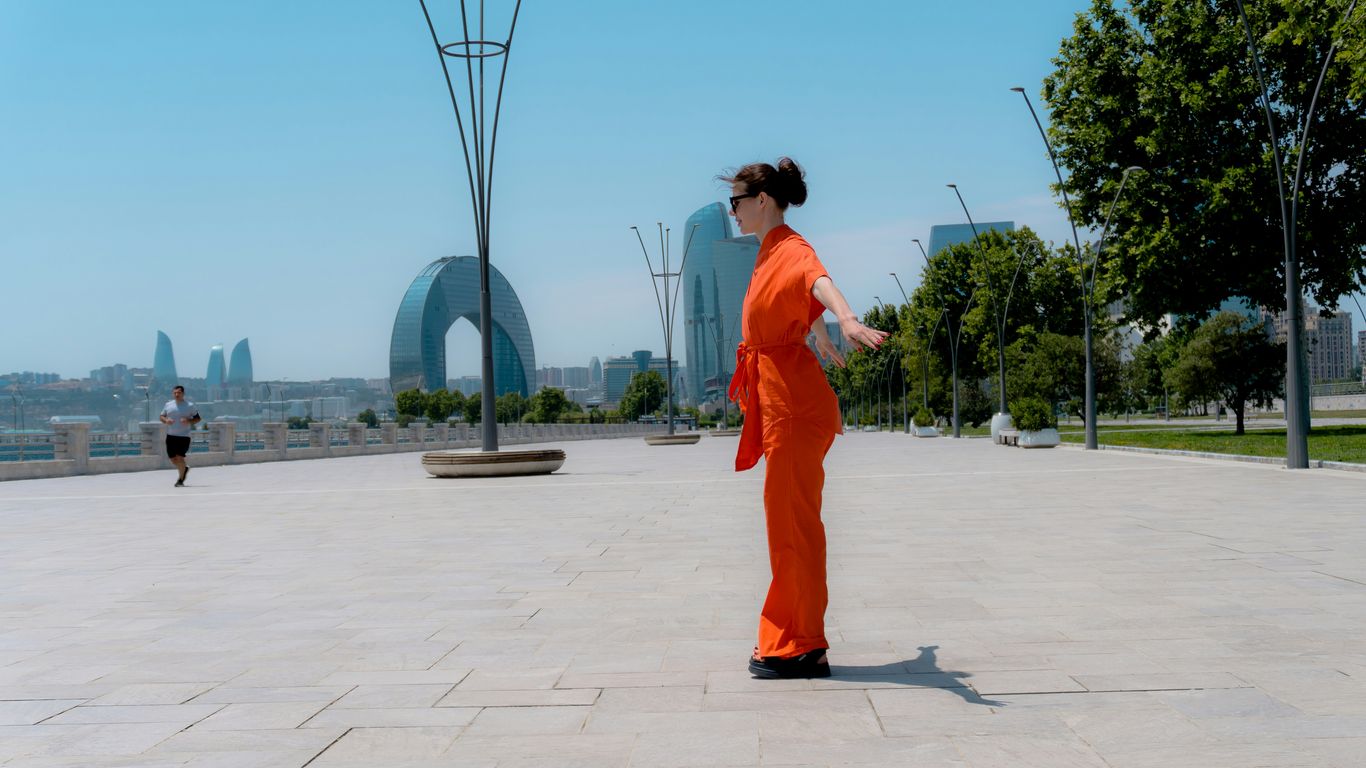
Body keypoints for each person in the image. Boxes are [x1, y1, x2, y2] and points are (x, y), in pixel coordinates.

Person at [724, 157, 888, 679]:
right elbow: (794, 303)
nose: (733, 212)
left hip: (792, 406)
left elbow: (817, 281)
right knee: (790, 525)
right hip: (781, 400)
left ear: (763, 202)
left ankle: (794, 644)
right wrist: (818, 333)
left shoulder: (792, 249)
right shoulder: (768, 252)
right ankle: (803, 642)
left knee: (793, 527)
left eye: (737, 202)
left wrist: (846, 318)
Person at [160, 385, 201, 487]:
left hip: (183, 437)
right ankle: (184, 469)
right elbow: (161, 416)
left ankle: (180, 480)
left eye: (178, 393)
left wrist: (188, 421)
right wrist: (166, 420)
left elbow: (198, 419)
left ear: (183, 393)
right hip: (170, 436)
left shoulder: (189, 406)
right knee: (173, 459)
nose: (176, 395)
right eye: (175, 393)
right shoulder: (168, 405)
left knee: (179, 457)